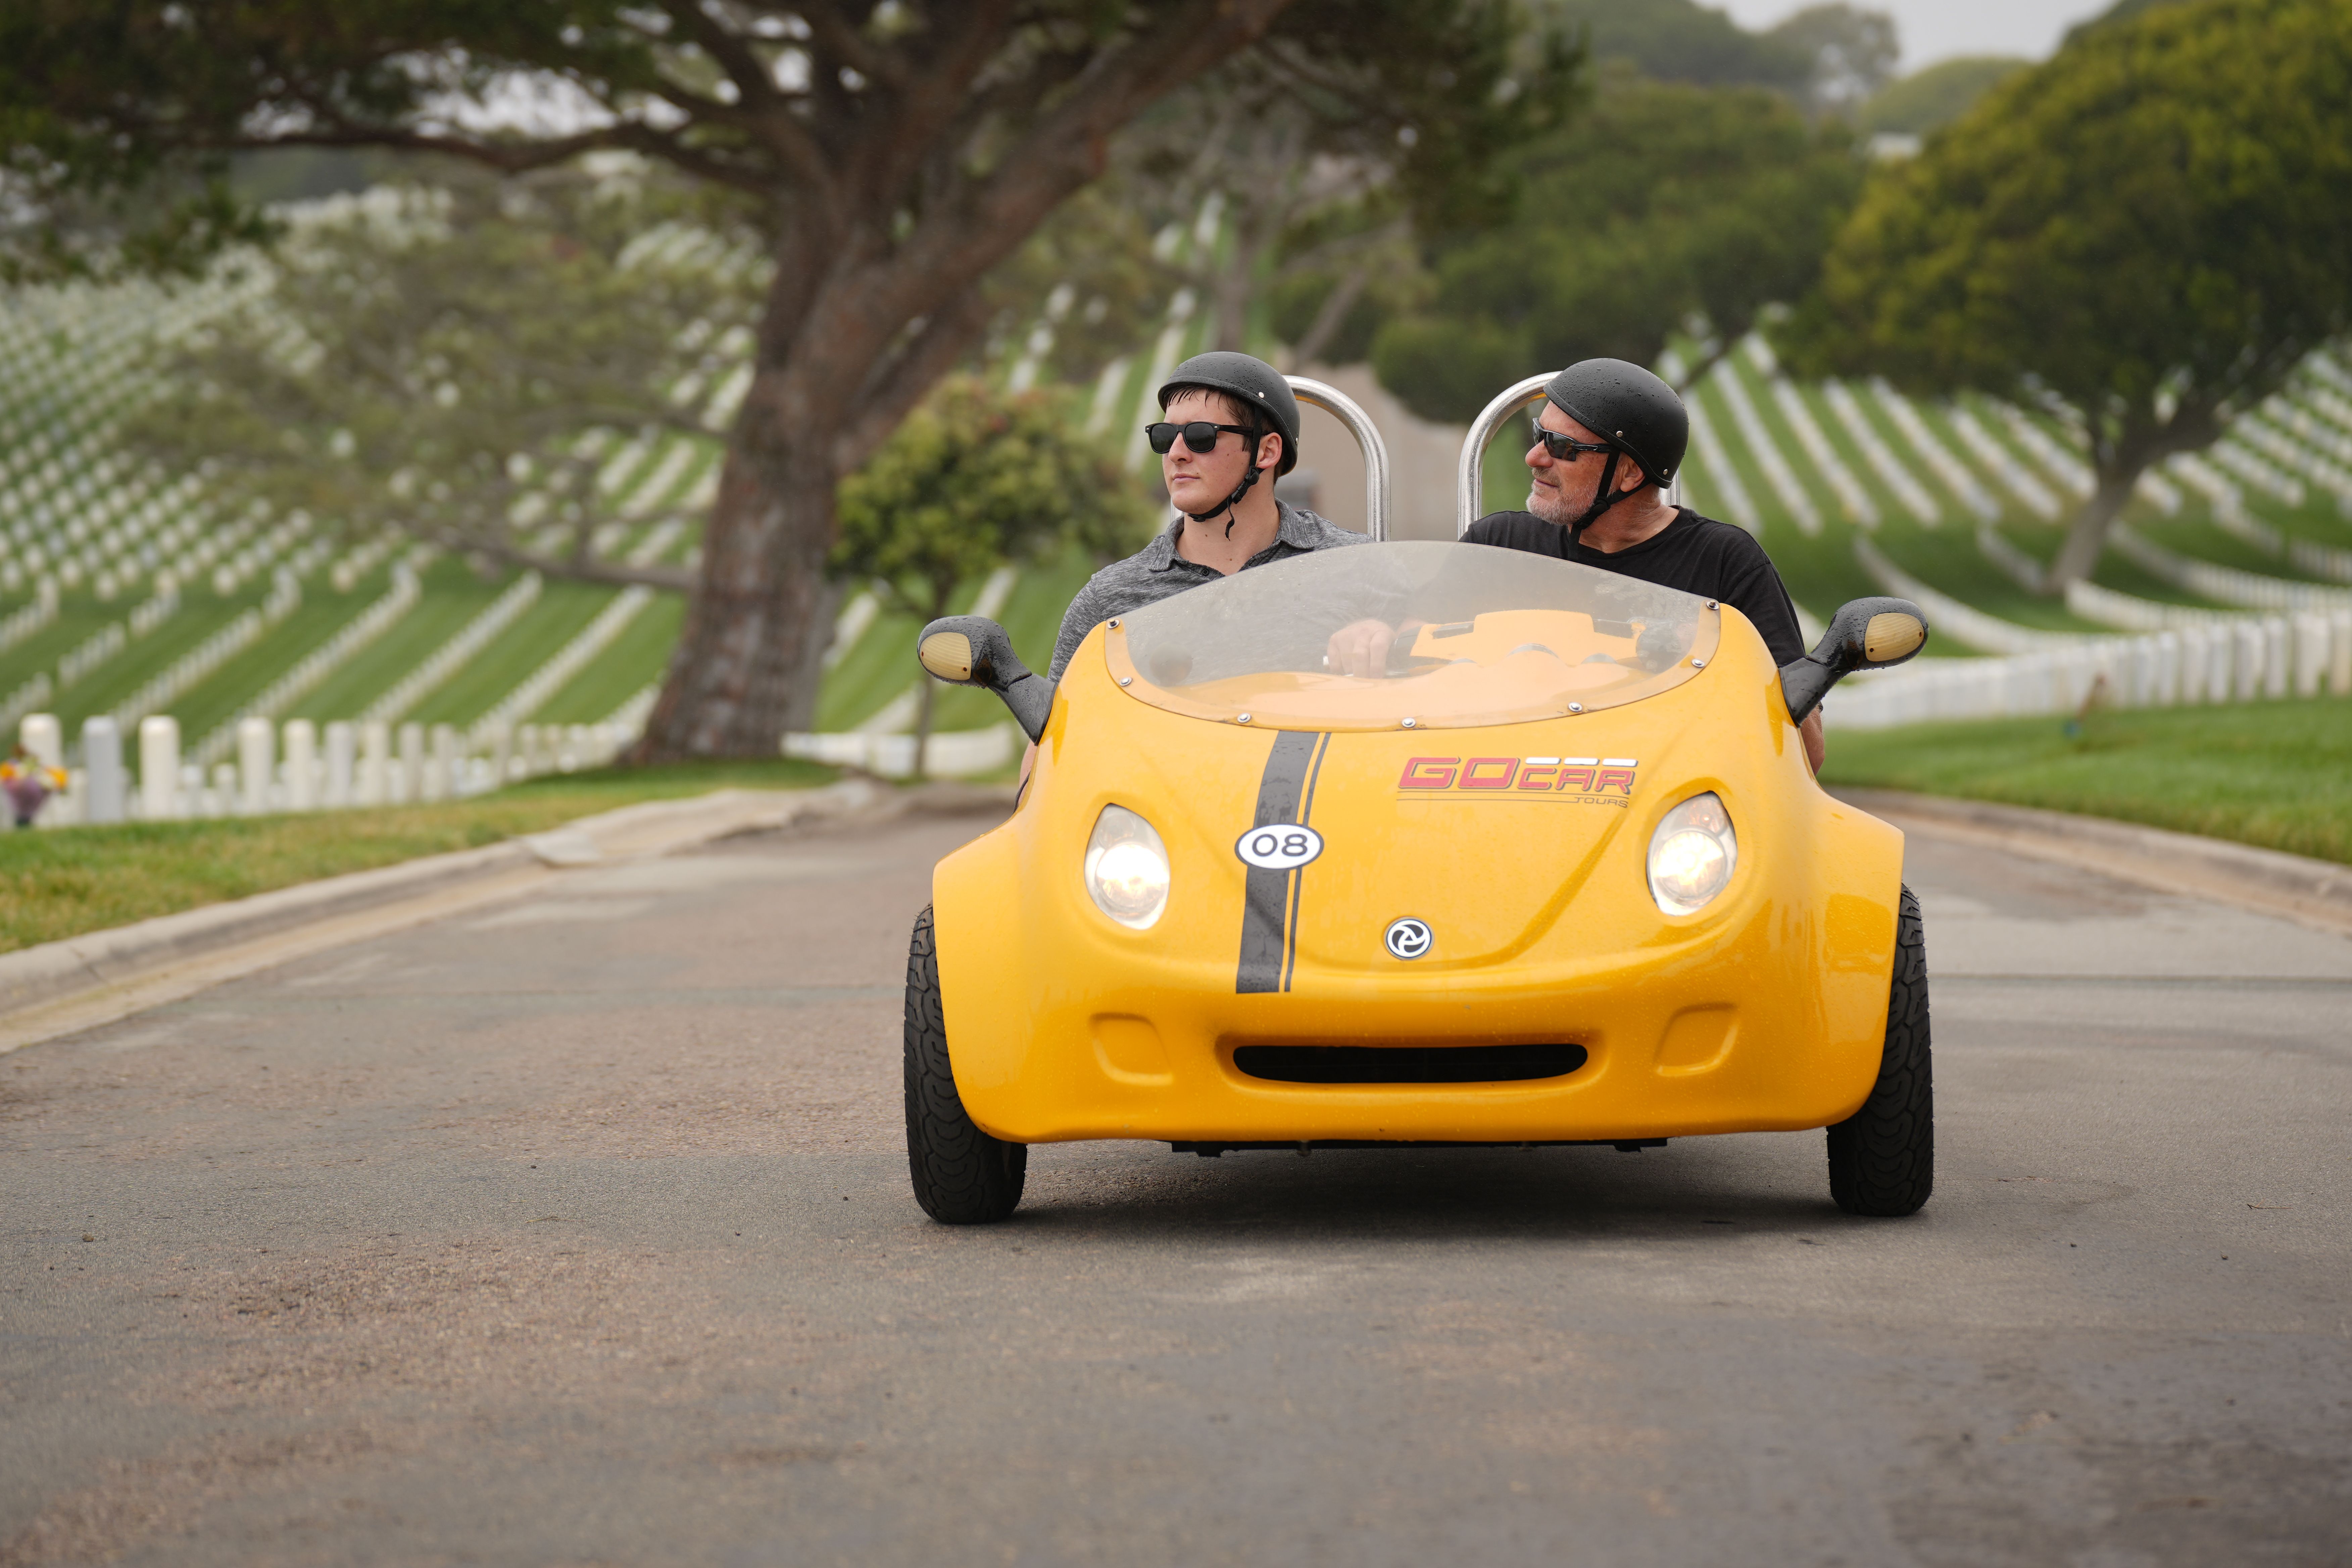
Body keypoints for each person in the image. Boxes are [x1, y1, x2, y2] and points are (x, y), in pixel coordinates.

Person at [1326, 357, 1825, 772]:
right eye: (1539, 435)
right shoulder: (1498, 544)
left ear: (1629, 472)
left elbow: (1806, 750)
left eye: (1563, 449)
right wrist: (1373, 639)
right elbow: (1409, 659)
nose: (1534, 458)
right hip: (1501, 789)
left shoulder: (1723, 561)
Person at [1043, 350, 1368, 687]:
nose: (1176, 454)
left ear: (1267, 451)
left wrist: (1388, 630)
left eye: (1201, 436)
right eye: (1165, 437)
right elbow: (1056, 736)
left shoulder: (1358, 567)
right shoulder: (1108, 601)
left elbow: (1423, 653)